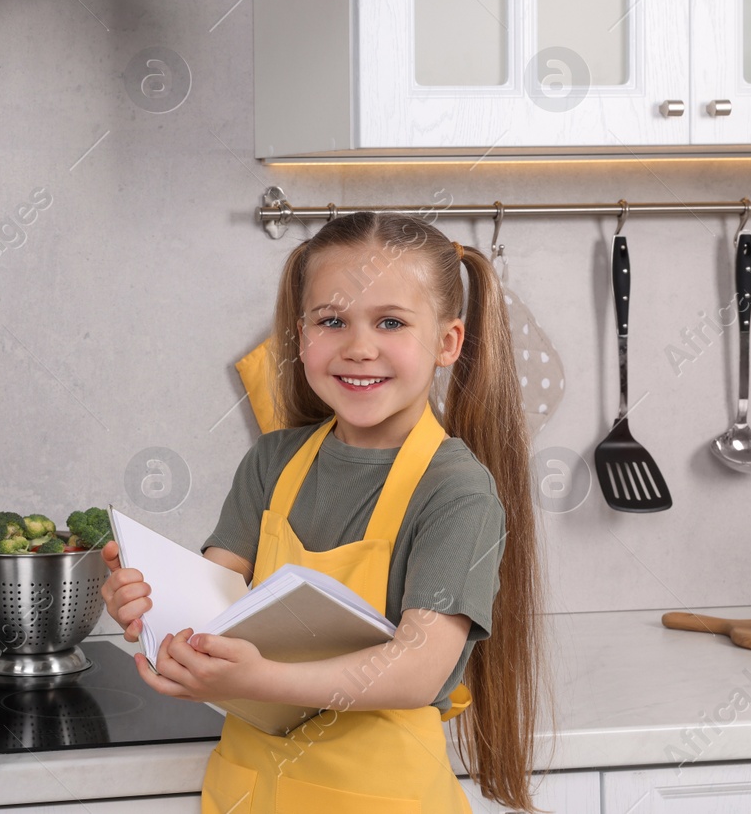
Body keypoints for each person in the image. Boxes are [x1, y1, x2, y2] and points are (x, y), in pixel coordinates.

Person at [99, 211, 545, 812]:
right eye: (331, 320)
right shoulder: (273, 461)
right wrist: (152, 605)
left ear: (447, 343)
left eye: (390, 322)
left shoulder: (455, 490)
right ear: (300, 335)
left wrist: (258, 681)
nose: (359, 348)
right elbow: (219, 603)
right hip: (248, 793)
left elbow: (419, 668)